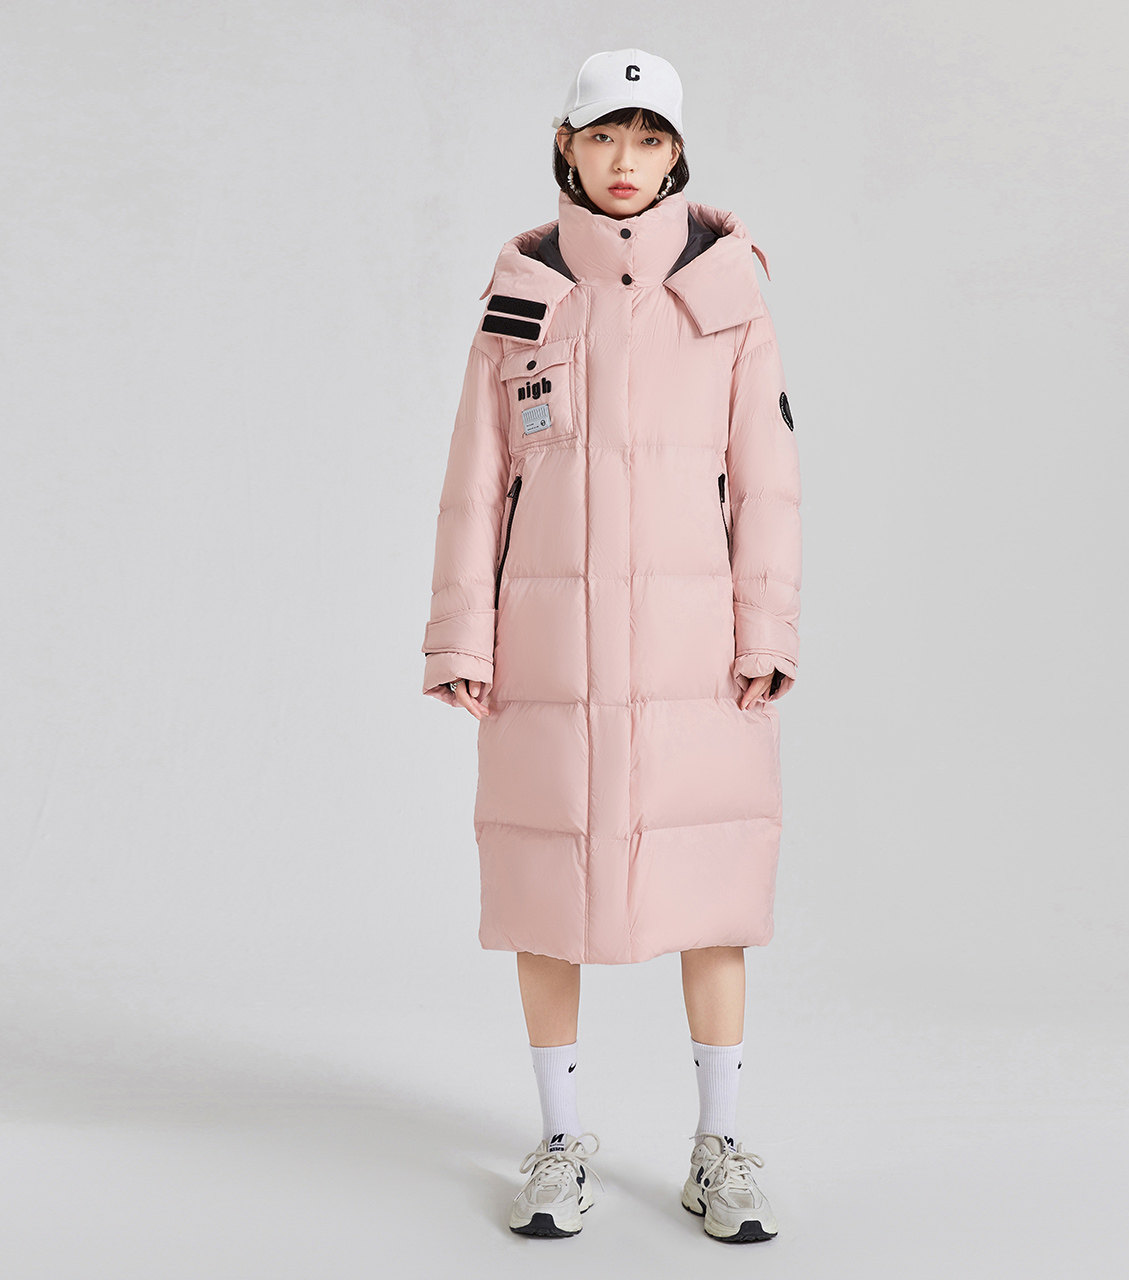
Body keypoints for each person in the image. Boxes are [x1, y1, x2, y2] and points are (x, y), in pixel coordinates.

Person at [418, 47, 801, 1243]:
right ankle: (558, 1140)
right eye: (602, 135)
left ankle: (718, 1145)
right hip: (549, 651)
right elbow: (475, 478)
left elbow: (767, 480)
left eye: (646, 138)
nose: (623, 160)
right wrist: (461, 635)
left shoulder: (728, 294)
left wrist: (766, 627)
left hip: (696, 653)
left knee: (715, 888)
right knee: (546, 886)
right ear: (565, 145)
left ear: (675, 151)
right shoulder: (524, 294)